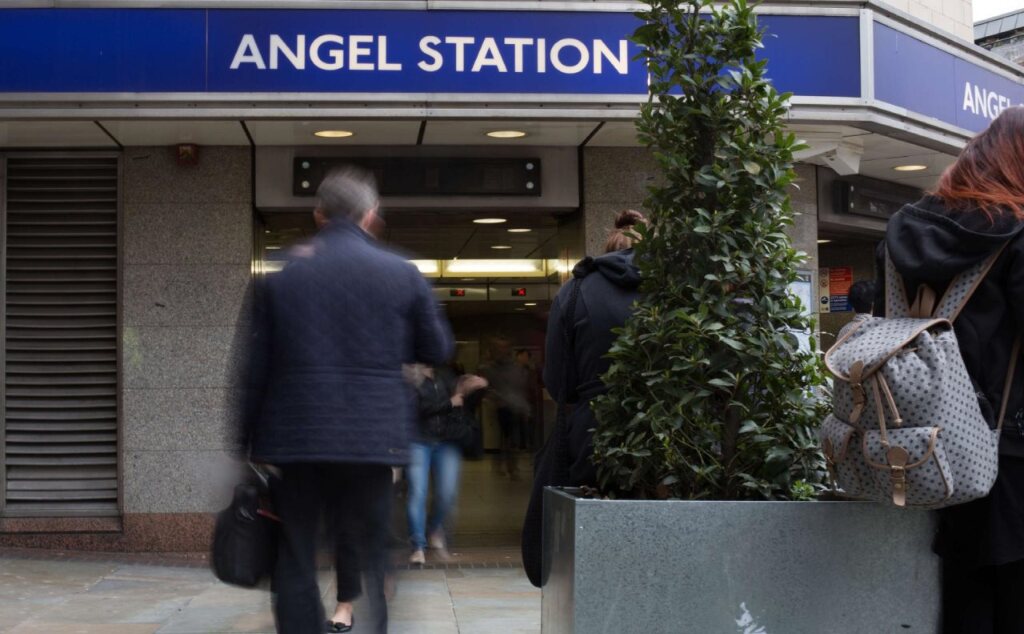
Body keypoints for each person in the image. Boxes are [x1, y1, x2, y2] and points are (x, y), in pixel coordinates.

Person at [240, 166, 454, 634]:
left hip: (297, 441)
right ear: (370, 214)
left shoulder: (281, 277)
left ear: (319, 215)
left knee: (295, 554)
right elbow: (437, 347)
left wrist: (244, 441)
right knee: (373, 552)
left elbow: (253, 370)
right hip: (371, 440)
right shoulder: (401, 273)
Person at [873, 107, 1024, 633]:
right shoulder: (1017, 238)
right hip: (1011, 455)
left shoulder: (901, 235)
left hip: (924, 449)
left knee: (964, 602)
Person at [521, 209, 645, 586]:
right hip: (671, 434)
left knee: (594, 554)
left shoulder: (575, 290)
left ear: (608, 247)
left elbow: (559, 383)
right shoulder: (678, 289)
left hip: (595, 434)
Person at [407, 365, 488, 565]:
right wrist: (448, 403)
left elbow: (464, 403)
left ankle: (434, 528)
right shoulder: (410, 376)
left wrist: (475, 387)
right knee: (418, 492)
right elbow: (414, 409)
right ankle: (418, 545)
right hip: (418, 441)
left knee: (447, 493)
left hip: (447, 441)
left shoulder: (445, 375)